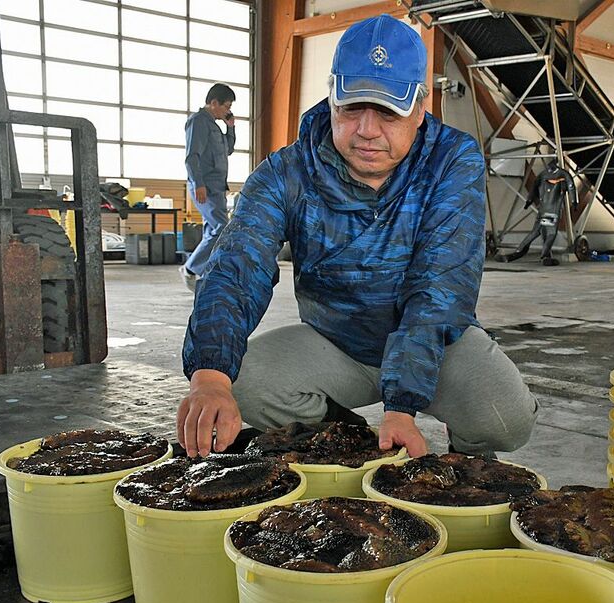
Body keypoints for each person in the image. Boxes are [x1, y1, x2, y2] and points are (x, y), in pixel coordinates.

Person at [177, 15, 539, 460]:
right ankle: (355, 448)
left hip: (434, 342)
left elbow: (440, 285)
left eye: (388, 111)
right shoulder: (285, 173)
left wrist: (402, 405)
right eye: (351, 108)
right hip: (337, 343)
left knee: (505, 418)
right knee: (247, 380)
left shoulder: (452, 161)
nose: (367, 129)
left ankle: (461, 464)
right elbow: (237, 266)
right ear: (331, 100)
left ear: (419, 109)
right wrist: (210, 375)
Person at [180, 83, 236, 291]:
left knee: (211, 230)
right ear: (214, 103)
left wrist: (230, 128)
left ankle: (205, 275)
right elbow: (192, 157)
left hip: (217, 187)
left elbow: (228, 150)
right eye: (226, 106)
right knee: (221, 228)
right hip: (206, 187)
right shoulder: (198, 122)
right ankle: (191, 268)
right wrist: (198, 184)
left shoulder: (214, 125)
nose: (228, 110)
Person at [496, 160, 576, 266]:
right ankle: (544, 255)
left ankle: (518, 253)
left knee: (534, 232)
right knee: (551, 233)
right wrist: (574, 202)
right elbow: (571, 187)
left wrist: (529, 201)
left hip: (543, 211)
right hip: (553, 212)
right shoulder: (564, 174)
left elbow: (533, 188)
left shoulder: (543, 174)